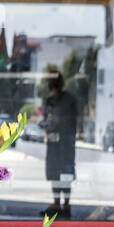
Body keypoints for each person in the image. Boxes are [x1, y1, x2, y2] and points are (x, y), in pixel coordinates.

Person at [41, 72, 78, 217]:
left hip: (64, 142)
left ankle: (64, 204)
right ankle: (59, 203)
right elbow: (48, 119)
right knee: (56, 172)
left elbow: (71, 121)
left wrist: (52, 125)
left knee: (64, 172)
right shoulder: (52, 100)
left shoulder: (67, 100)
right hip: (57, 142)